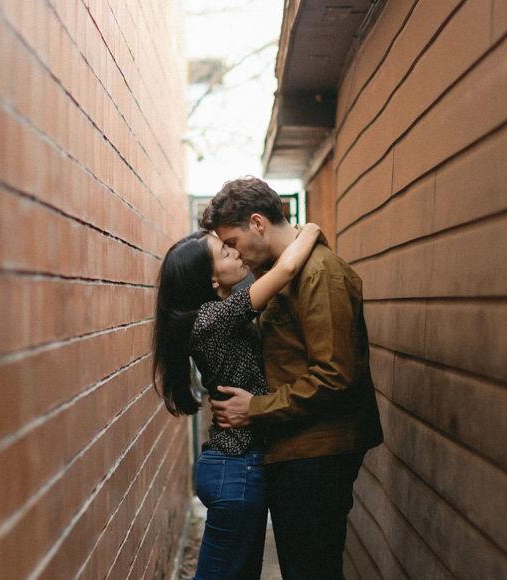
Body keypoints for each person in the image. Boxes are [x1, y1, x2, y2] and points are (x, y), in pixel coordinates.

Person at [199, 176, 384, 580]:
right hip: (293, 446)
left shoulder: (319, 274)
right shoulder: (276, 272)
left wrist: (255, 408)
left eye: (232, 241)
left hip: (317, 452)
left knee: (310, 571)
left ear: (258, 223)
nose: (233, 253)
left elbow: (335, 375)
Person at [152, 222, 325, 580]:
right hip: (237, 469)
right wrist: (310, 230)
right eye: (224, 251)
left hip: (237, 467)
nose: (235, 251)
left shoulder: (218, 313)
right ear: (212, 279)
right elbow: (286, 270)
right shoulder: (213, 318)